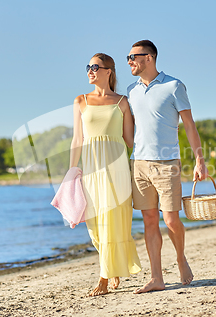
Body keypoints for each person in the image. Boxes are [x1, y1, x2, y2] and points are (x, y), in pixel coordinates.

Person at [126, 40, 208, 294]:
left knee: (171, 220)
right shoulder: (131, 90)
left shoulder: (174, 86)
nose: (129, 61)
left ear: (149, 57)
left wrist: (200, 160)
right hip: (138, 164)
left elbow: (190, 125)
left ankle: (181, 257)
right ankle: (156, 278)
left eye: (133, 57)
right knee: (149, 221)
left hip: (167, 164)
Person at [70, 53, 141, 296]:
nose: (90, 70)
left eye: (95, 67)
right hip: (91, 169)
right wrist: (72, 170)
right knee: (95, 223)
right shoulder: (81, 101)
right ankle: (112, 267)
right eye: (88, 66)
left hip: (116, 168)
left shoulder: (122, 101)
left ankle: (103, 277)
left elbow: (130, 140)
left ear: (108, 71)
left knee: (113, 221)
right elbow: (77, 140)